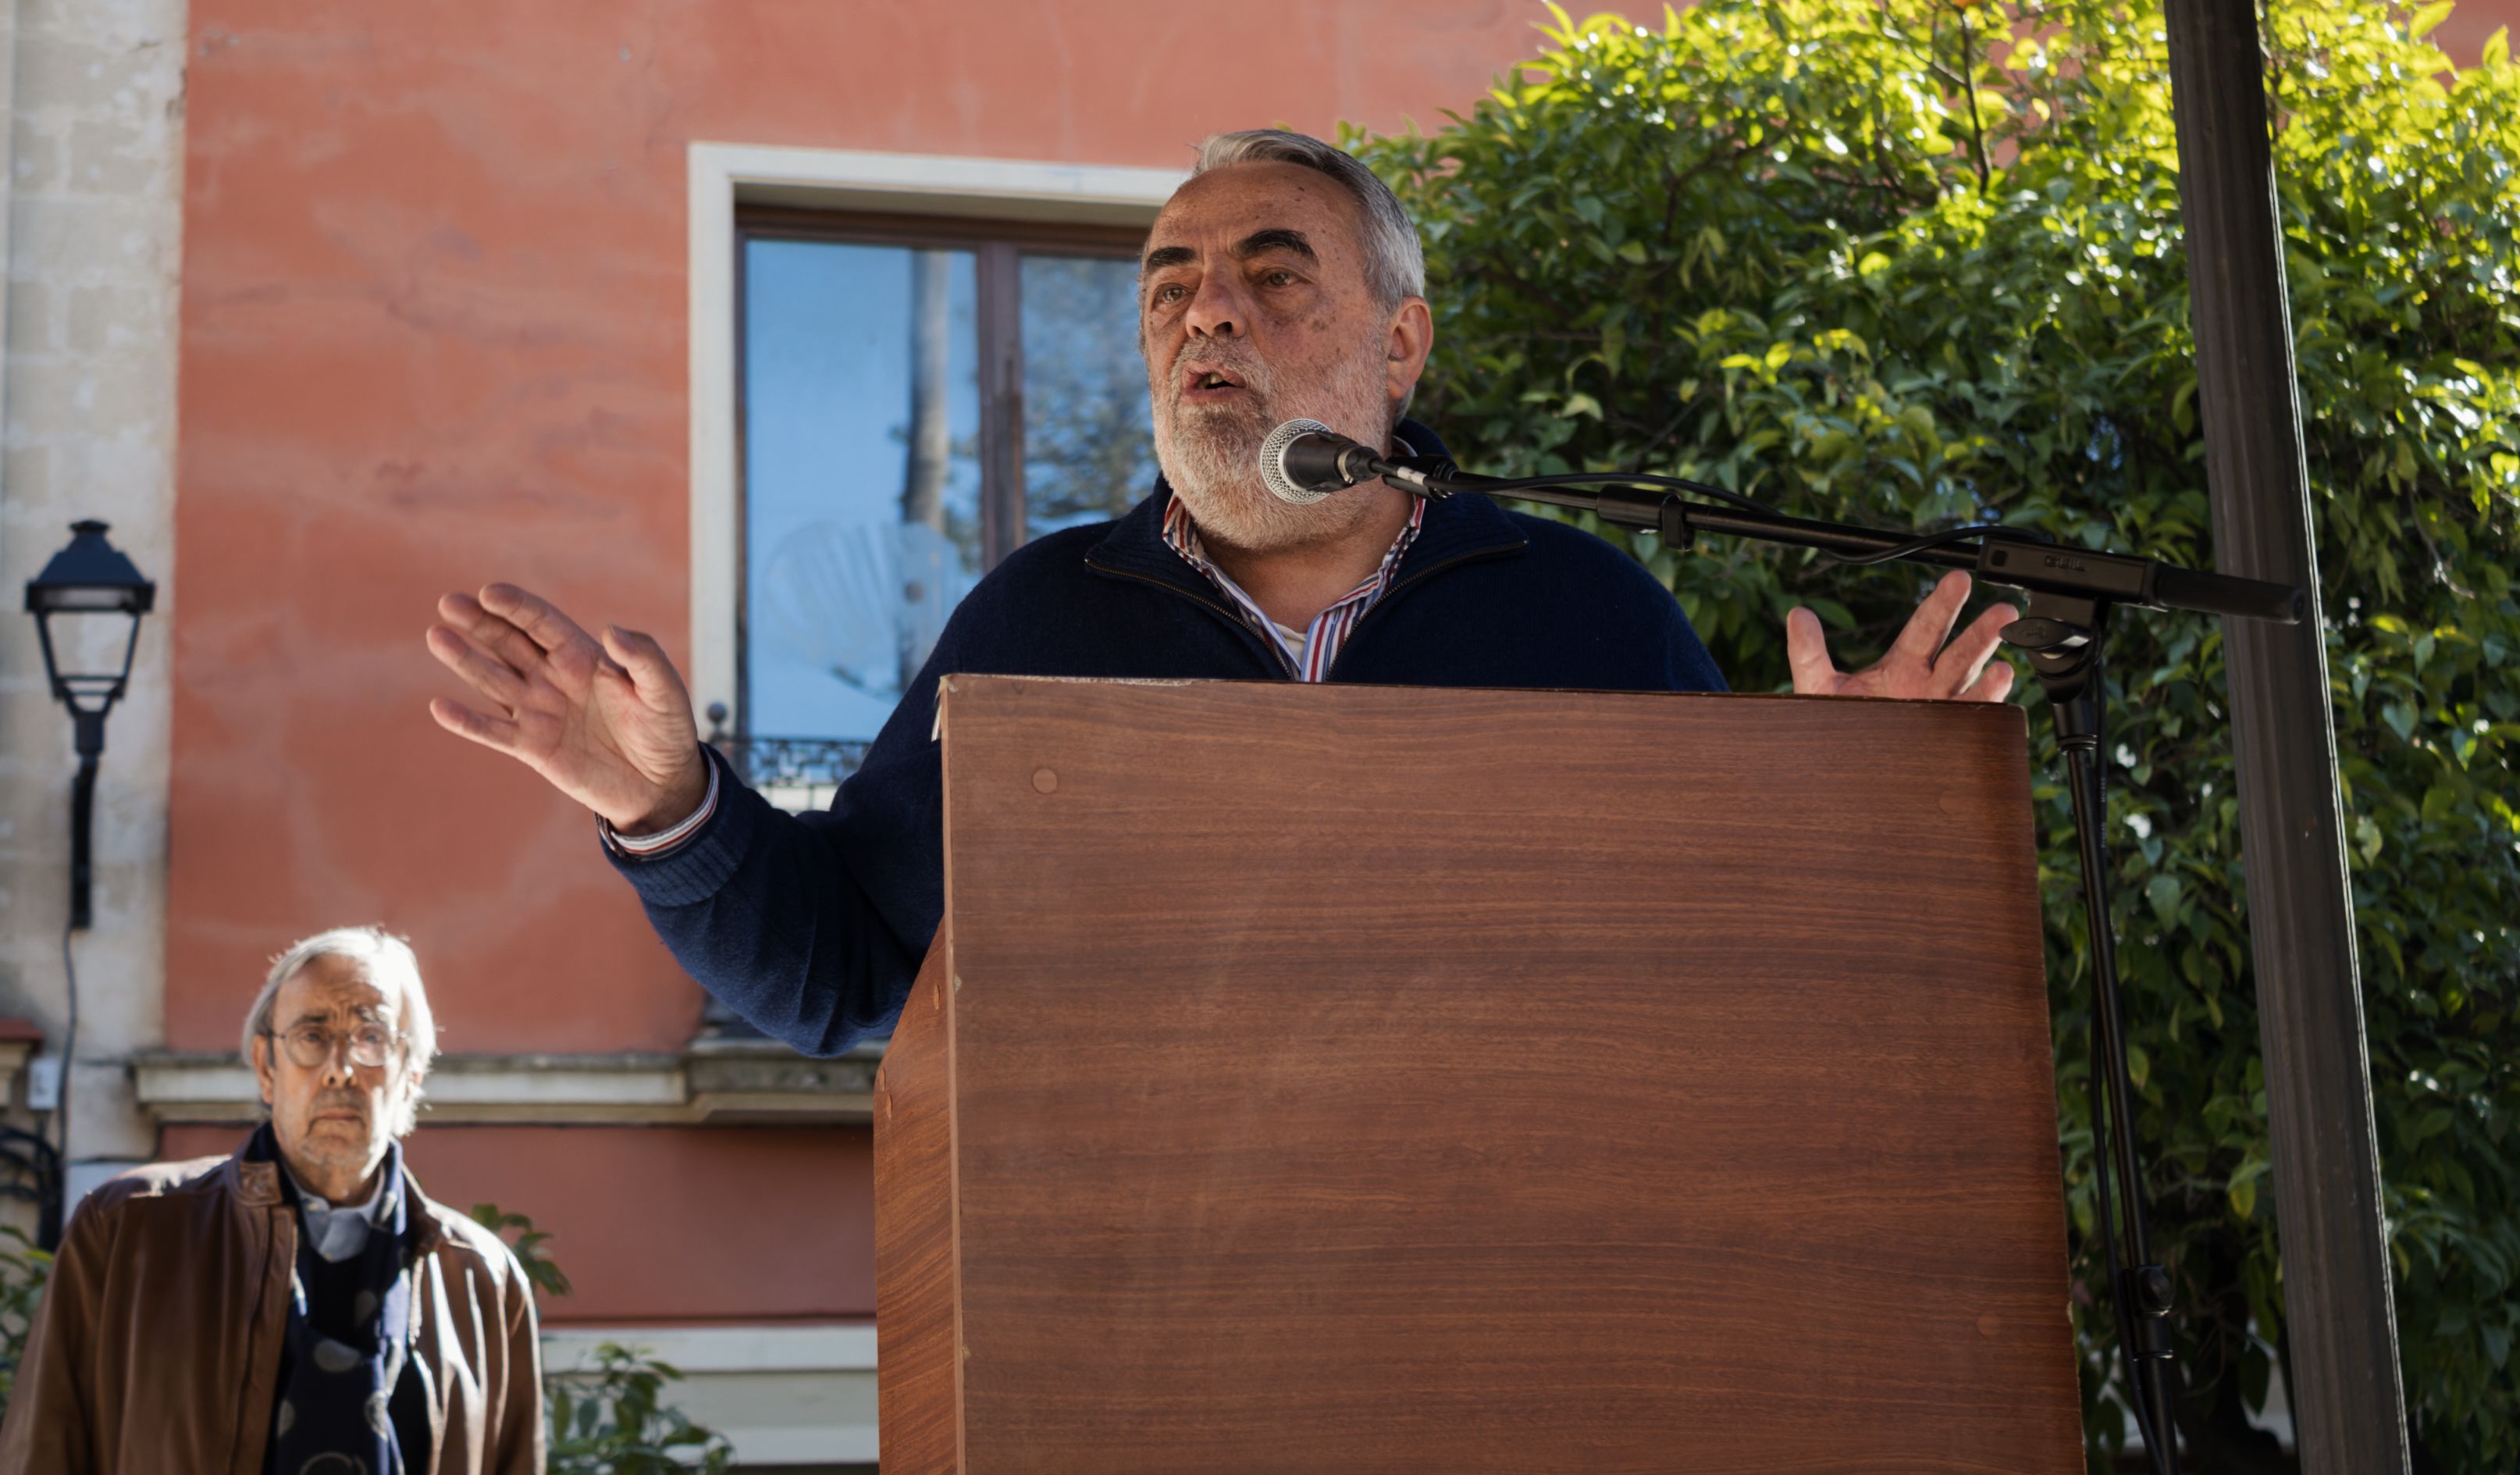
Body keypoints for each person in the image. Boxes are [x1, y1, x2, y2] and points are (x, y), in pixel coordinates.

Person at [425, 130, 2016, 1057]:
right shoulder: (1040, 621)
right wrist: (672, 807)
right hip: (1148, 1322)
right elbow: (851, 972)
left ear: (1399, 343)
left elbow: (1726, 975)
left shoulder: (1582, 613)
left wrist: (1841, 811)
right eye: (1171, 285)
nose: (1209, 315)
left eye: (1272, 274)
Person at [0, 926, 544, 1475]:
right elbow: (42, 1452)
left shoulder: (482, 1279)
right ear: (266, 1067)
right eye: (312, 1036)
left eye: (371, 1037)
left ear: (411, 1076)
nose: (341, 1068)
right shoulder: (129, 1229)